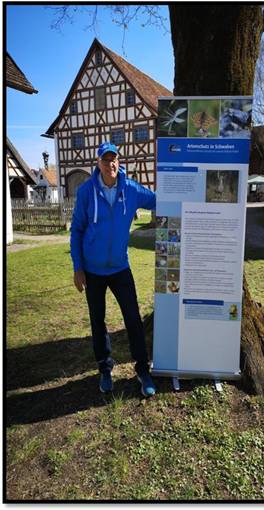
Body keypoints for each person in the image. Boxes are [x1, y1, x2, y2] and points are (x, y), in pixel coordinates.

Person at [70, 142, 156, 397]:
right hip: (93, 270)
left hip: (120, 267)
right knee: (98, 321)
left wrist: (189, 194)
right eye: (106, 160)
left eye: (114, 159)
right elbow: (77, 230)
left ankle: (143, 369)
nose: (111, 164)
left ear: (119, 161)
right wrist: (78, 267)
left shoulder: (130, 190)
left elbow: (156, 200)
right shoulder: (86, 192)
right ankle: (105, 369)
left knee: (133, 318)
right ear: (98, 163)